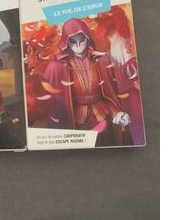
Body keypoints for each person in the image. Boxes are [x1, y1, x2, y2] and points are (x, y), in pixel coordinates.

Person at [41, 17, 131, 146]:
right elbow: (53, 101)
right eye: (73, 41)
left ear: (87, 38)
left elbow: (111, 92)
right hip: (77, 121)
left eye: (81, 40)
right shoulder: (59, 65)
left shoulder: (101, 60)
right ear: (66, 42)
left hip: (102, 115)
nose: (78, 45)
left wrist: (116, 111)